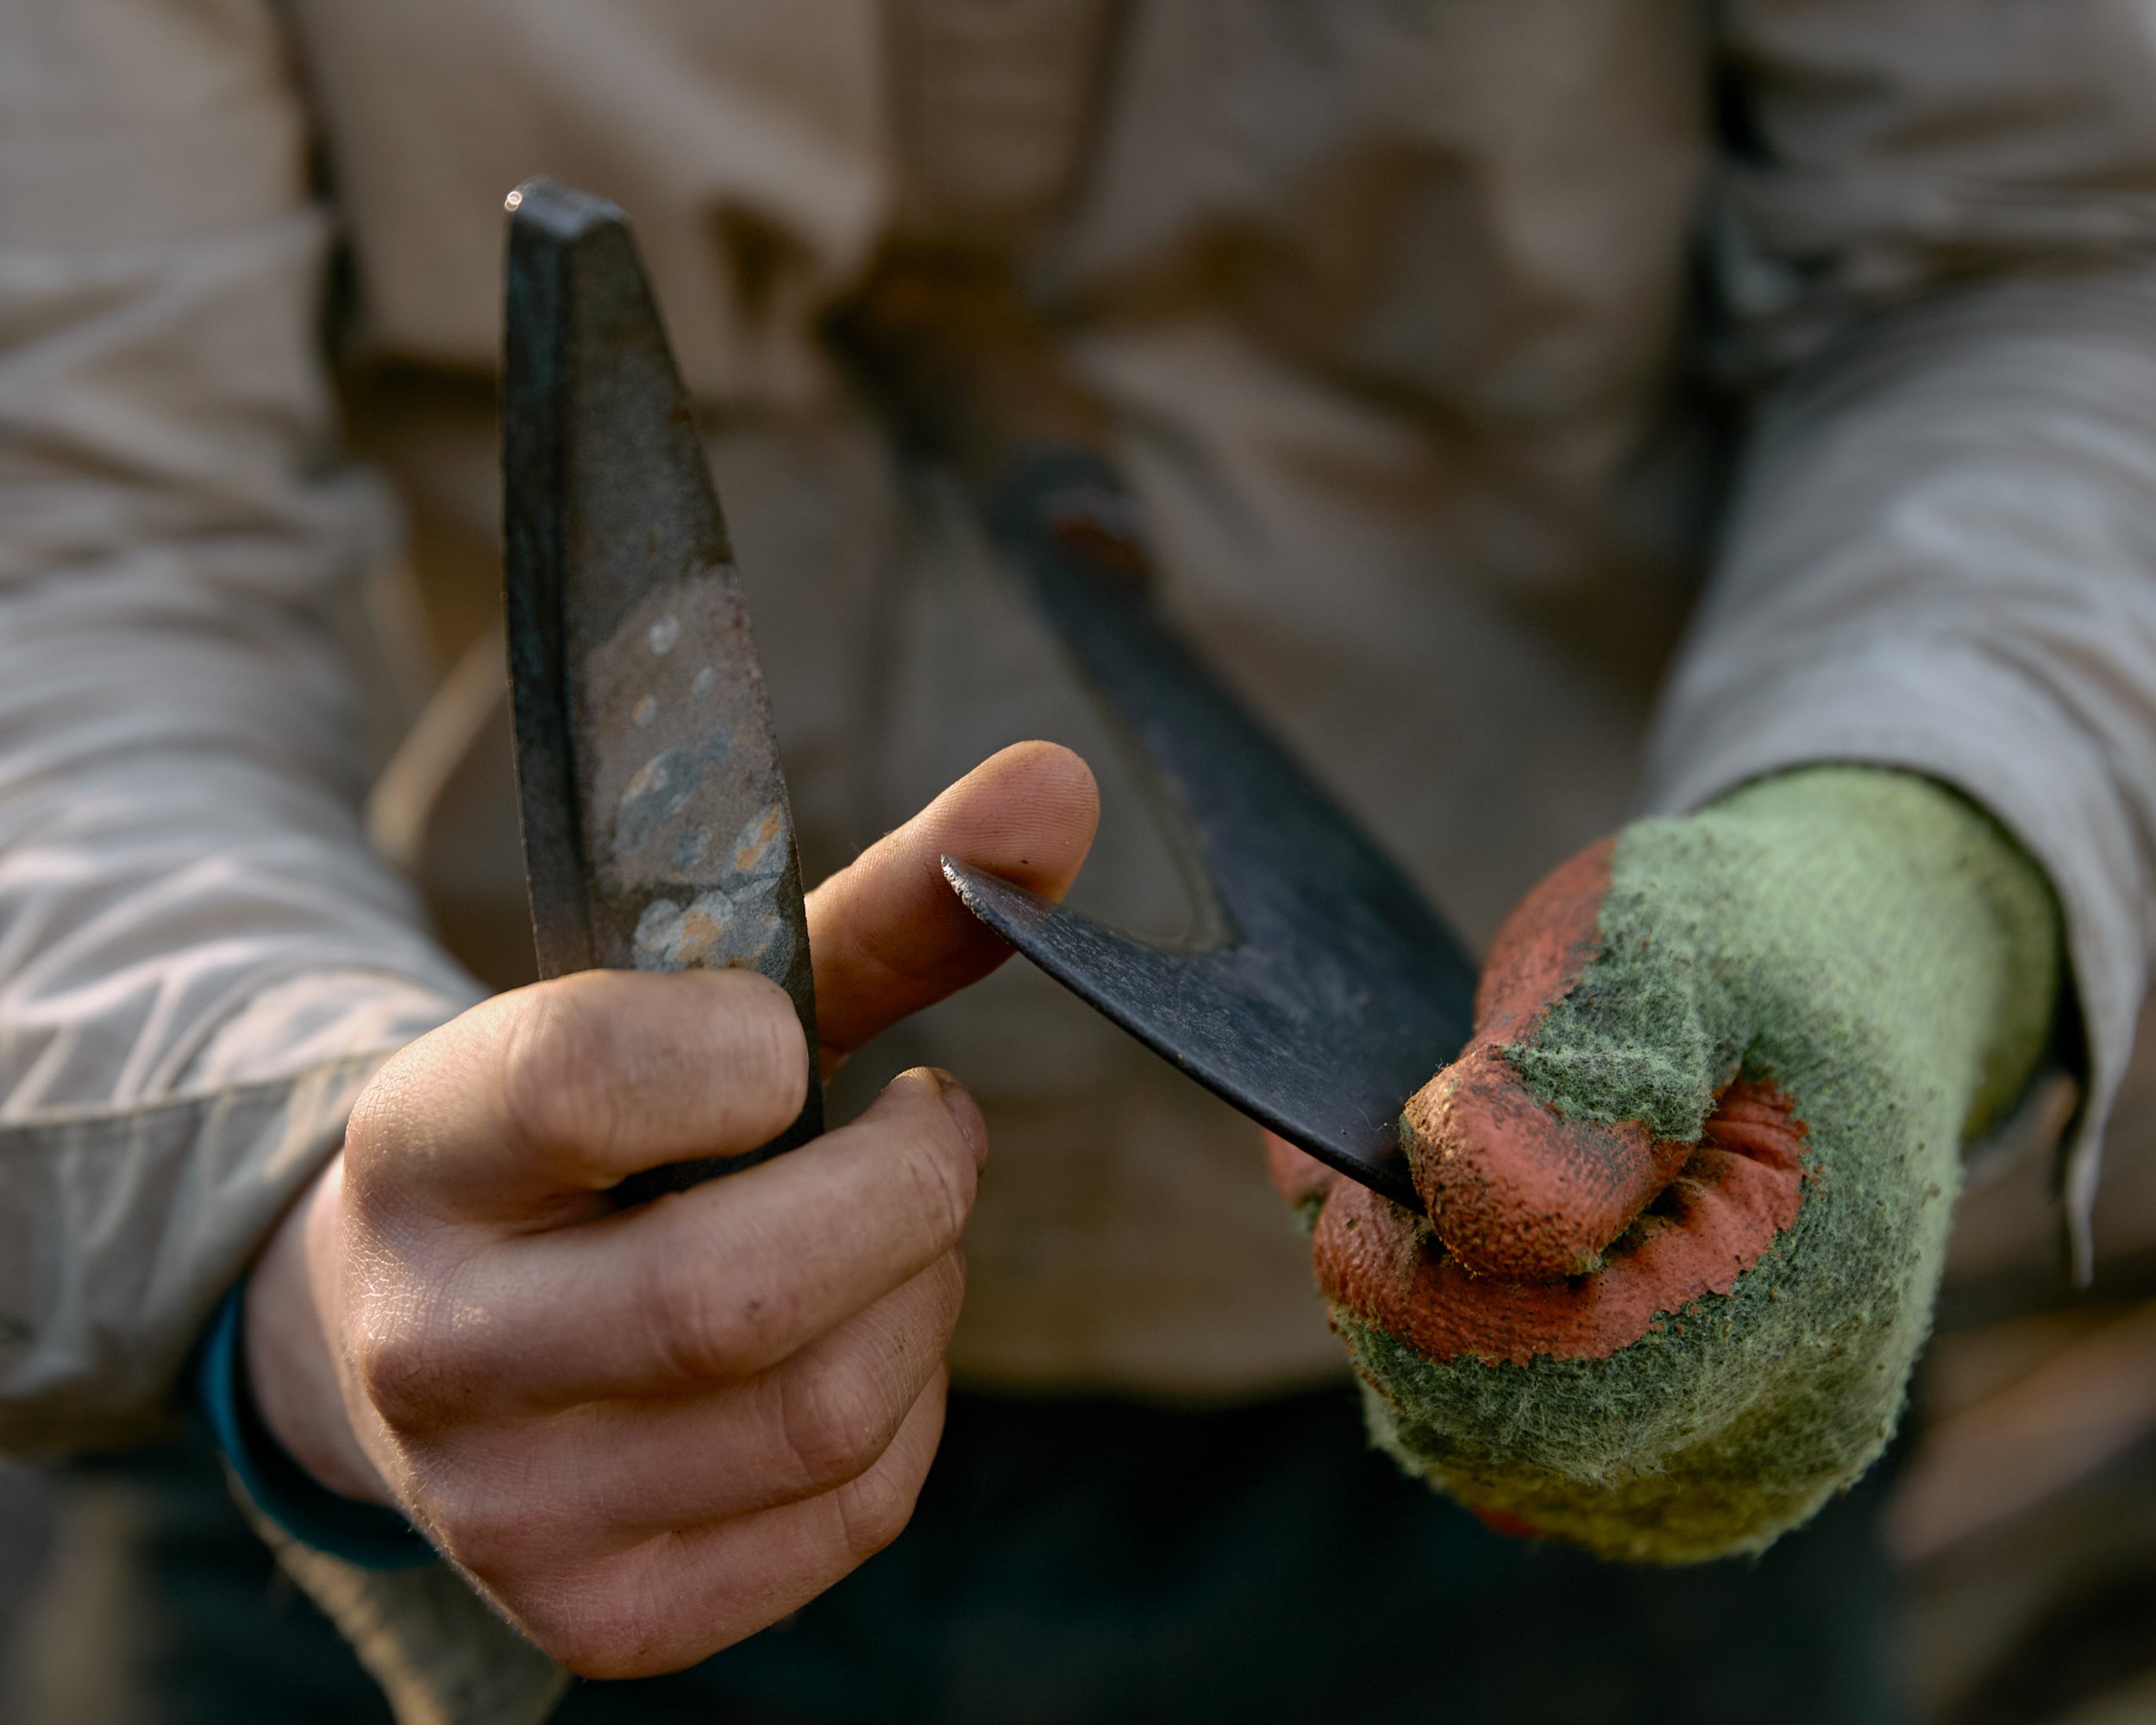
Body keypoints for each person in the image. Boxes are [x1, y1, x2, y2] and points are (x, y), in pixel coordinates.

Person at [3, 3, 2153, 1721]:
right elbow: (71, 533)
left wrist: (1900, 857)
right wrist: (304, 1222)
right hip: (435, 1430)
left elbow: (2056, 261)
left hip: (1531, 1446)